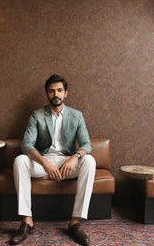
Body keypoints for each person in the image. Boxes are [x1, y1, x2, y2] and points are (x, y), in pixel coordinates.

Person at [9, 74, 96, 246]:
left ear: (65, 93)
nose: (55, 94)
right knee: (20, 160)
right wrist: (45, 163)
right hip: (43, 162)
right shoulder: (37, 115)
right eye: (51, 91)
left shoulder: (76, 115)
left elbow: (87, 144)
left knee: (90, 161)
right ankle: (27, 221)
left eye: (59, 90)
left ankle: (75, 222)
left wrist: (74, 158)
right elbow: (27, 145)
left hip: (67, 163)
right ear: (47, 94)